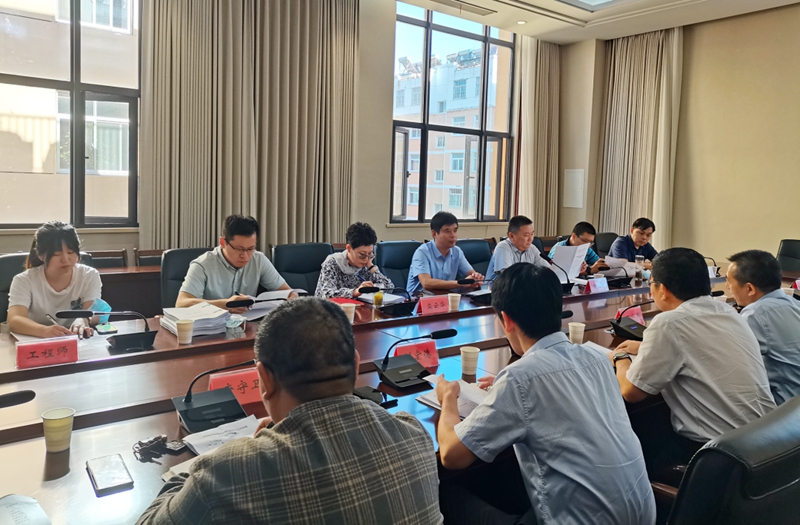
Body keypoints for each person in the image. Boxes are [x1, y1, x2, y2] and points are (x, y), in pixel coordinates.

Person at [137, 298, 442, 524]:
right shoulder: (413, 434)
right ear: (356, 362)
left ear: (264, 379)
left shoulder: (225, 474)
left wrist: (206, 464)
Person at [435, 263, 655, 525]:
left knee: (444, 493)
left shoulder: (519, 379)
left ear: (506, 319)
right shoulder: (596, 357)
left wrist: (448, 399)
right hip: (642, 514)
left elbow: (451, 456)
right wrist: (506, 388)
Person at [611, 248, 775, 476]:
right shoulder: (728, 311)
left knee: (633, 441)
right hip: (765, 442)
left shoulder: (669, 323)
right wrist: (643, 346)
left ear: (663, 289)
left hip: (719, 454)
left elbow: (631, 392)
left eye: (651, 283)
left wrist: (620, 358)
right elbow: (701, 346)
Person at [727, 249, 800, 405]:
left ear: (750, 288)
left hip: (785, 410)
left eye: (729, 281)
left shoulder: (755, 314)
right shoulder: (795, 304)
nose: (727, 287)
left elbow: (729, 364)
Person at [176, 215, 292, 313]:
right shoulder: (203, 265)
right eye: (239, 249)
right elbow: (181, 304)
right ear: (222, 242)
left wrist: (291, 297)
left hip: (248, 326)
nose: (245, 256)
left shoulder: (259, 260)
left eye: (250, 248)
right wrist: (225, 304)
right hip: (212, 329)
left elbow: (286, 292)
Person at [7, 221, 101, 339]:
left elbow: (95, 311)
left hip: (76, 339)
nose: (65, 259)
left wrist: (83, 319)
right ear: (41, 255)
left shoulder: (89, 275)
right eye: (57, 254)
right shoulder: (24, 280)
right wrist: (44, 331)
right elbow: (15, 319)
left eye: (70, 252)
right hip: (37, 339)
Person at [407, 211, 483, 295]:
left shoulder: (457, 252)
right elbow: (426, 283)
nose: (453, 235)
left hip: (445, 297)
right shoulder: (422, 252)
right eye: (447, 231)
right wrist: (460, 283)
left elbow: (472, 274)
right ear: (434, 233)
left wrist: (476, 279)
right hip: (417, 299)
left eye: (455, 230)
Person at [315, 222, 394, 299]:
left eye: (370, 254)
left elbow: (389, 287)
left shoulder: (367, 266)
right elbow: (326, 294)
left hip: (360, 306)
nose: (366, 259)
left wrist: (371, 267)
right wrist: (355, 292)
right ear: (349, 248)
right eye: (362, 255)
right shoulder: (332, 263)